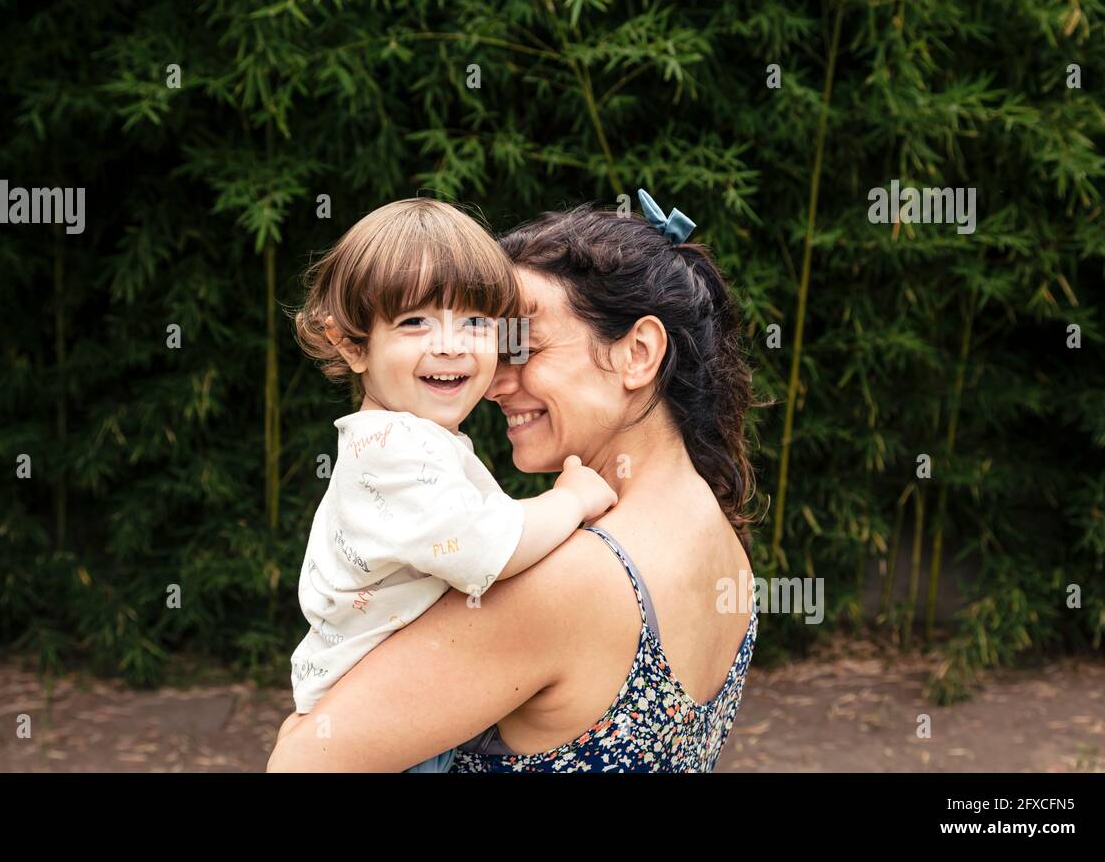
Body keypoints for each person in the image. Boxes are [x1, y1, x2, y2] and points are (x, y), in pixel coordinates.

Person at [268, 190, 759, 772]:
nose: (494, 381)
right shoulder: (723, 543)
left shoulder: (573, 580)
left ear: (638, 353)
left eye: (520, 346)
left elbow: (305, 761)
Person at [287, 197, 617, 773]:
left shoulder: (407, 441)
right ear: (351, 344)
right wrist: (569, 501)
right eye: (415, 322)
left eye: (475, 321)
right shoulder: (394, 450)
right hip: (383, 733)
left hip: (399, 710)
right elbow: (485, 547)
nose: (451, 343)